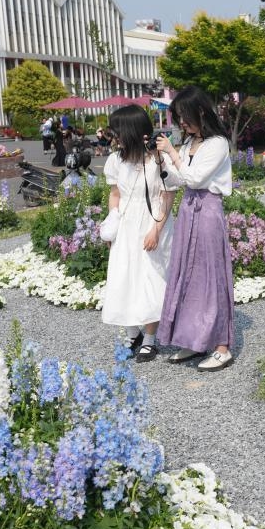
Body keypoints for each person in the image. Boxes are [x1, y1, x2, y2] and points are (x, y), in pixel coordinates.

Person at [155, 86, 235, 371]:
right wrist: (164, 160)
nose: (182, 124)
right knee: (186, 273)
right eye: (178, 119)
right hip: (188, 208)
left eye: (184, 117)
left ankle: (222, 346)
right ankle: (193, 340)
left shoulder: (217, 143)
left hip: (208, 209)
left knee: (211, 274)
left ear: (201, 111)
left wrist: (173, 156)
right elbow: (179, 180)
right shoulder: (189, 145)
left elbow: (198, 178)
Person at [100, 106, 174, 363]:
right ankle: (133, 334)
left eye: (117, 130)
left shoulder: (156, 159)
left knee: (151, 279)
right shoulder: (115, 160)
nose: (114, 136)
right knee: (124, 278)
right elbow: (115, 194)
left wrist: (156, 230)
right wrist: (113, 224)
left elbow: (167, 196)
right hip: (126, 224)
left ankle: (151, 339)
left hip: (151, 222)